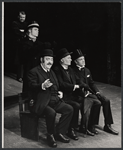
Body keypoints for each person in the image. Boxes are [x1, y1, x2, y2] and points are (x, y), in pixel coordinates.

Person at [27, 49, 73, 148]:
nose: (50, 62)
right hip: (41, 101)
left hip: (54, 99)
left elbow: (56, 85)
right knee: (51, 112)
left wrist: (59, 92)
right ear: (41, 60)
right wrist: (42, 86)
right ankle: (50, 135)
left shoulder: (52, 72)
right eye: (47, 59)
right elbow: (31, 86)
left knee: (69, 109)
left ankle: (59, 132)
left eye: (51, 59)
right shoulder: (34, 71)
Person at [53, 48, 100, 137]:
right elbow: (61, 84)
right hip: (64, 96)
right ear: (62, 60)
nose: (70, 59)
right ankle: (71, 129)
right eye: (68, 58)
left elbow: (78, 81)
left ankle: (87, 126)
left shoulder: (70, 70)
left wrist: (84, 87)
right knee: (76, 105)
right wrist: (75, 86)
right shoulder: (57, 70)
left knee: (92, 102)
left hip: (73, 95)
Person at [72, 48, 119, 135]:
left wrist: (97, 92)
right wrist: (88, 93)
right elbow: (80, 84)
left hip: (91, 92)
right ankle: (91, 125)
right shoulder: (73, 72)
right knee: (97, 102)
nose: (83, 61)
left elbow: (92, 83)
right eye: (80, 59)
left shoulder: (87, 70)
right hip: (82, 94)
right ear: (75, 61)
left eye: (83, 59)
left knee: (106, 100)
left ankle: (108, 125)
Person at [22, 21, 43, 93]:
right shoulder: (24, 42)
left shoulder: (39, 43)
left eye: (38, 30)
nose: (37, 31)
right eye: (35, 29)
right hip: (29, 69)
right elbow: (27, 54)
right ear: (29, 30)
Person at [12, 11, 28, 82]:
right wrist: (23, 33)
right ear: (18, 17)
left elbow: (27, 32)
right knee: (19, 61)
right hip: (18, 44)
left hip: (25, 44)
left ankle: (24, 76)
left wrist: (23, 32)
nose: (22, 19)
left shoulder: (26, 24)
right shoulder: (15, 23)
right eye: (21, 17)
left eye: (23, 17)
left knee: (25, 60)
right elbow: (16, 32)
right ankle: (19, 77)